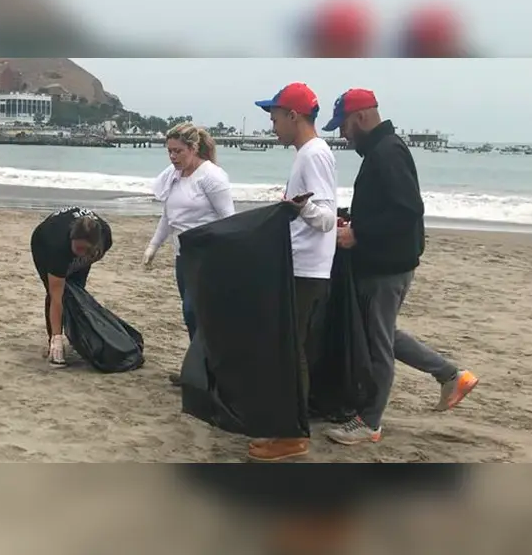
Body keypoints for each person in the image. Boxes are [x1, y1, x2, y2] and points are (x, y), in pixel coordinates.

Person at [321, 88, 480, 445]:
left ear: (360, 117)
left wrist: (358, 234)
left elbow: (408, 210)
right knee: (384, 334)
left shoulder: (387, 152)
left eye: (344, 126)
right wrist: (349, 217)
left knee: (378, 344)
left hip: (386, 268)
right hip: (388, 262)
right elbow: (387, 207)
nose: (342, 135)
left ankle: (370, 423)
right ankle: (452, 376)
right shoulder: (381, 149)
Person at [246, 82, 338, 462]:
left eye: (275, 118)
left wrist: (297, 208)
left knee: (290, 352)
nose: (272, 126)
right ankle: (287, 429)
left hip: (307, 269)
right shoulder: (309, 153)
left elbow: (327, 218)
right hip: (302, 265)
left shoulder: (313, 155)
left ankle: (292, 436)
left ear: (293, 116)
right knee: (290, 349)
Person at [143, 122, 235, 384]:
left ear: (193, 148)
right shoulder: (175, 175)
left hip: (208, 257)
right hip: (183, 257)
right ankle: (200, 369)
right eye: (169, 151)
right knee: (190, 315)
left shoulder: (211, 177)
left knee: (195, 311)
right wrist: (153, 246)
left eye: (178, 151)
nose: (173, 157)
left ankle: (210, 371)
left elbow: (228, 219)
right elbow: (169, 215)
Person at [30, 206, 113, 368]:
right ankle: (54, 342)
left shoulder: (105, 237)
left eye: (86, 249)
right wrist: (56, 337)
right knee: (57, 293)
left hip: (84, 246)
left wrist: (87, 256)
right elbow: (56, 296)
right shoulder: (57, 247)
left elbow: (95, 253)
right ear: (71, 239)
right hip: (42, 243)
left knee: (76, 291)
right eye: (78, 248)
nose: (81, 252)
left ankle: (76, 335)